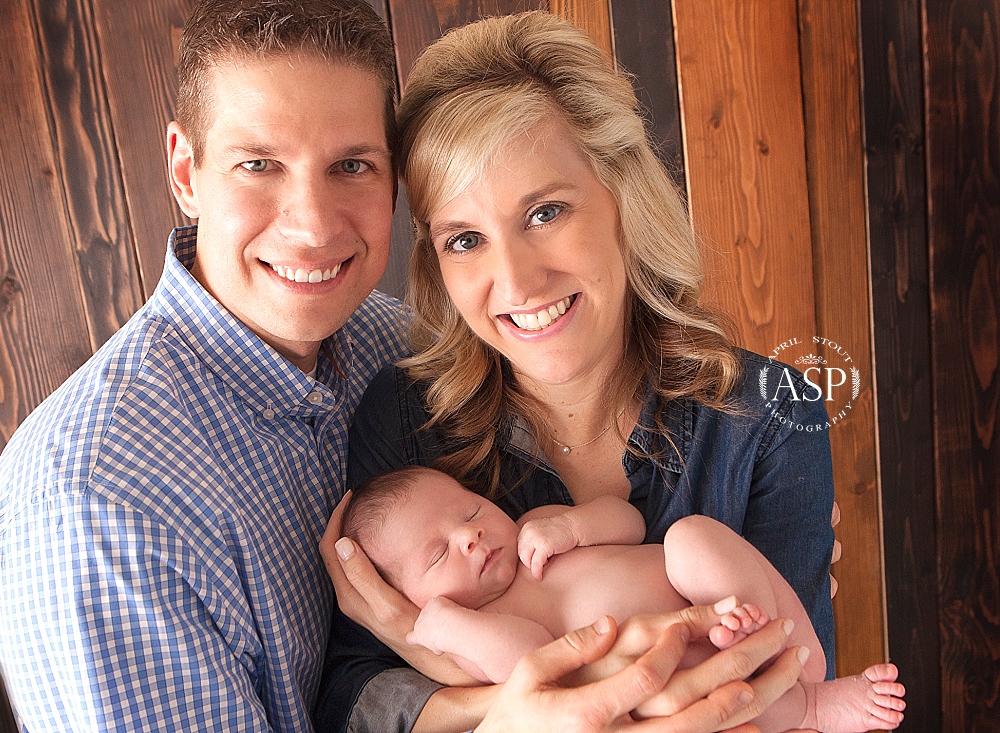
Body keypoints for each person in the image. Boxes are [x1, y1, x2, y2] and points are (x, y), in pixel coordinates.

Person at [0, 2, 804, 731]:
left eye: (351, 166)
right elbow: (350, 693)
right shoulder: (91, 508)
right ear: (186, 171)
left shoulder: (387, 347)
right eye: (259, 163)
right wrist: (492, 698)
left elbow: (799, 678)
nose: (310, 224)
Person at [317, 10, 848, 732]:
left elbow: (792, 693)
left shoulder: (769, 414)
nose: (518, 282)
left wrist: (442, 662)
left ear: (623, 196)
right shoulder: (406, 420)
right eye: (465, 238)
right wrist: (516, 708)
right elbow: (352, 701)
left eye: (545, 212)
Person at [342, 466, 905, 732]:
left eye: (469, 510)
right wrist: (444, 626)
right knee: (685, 694)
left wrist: (575, 526)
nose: (470, 536)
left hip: (716, 598)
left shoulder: (535, 528)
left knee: (690, 536)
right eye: (438, 555)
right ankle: (814, 708)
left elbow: (633, 523)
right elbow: (534, 661)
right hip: (680, 671)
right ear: (409, 600)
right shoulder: (472, 636)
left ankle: (774, 643)